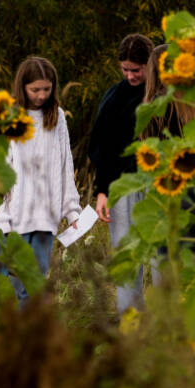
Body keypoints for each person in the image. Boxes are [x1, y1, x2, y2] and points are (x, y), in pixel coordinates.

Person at [0, 55, 82, 302]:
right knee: (18, 283)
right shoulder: (10, 116)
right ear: (23, 87)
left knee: (36, 282)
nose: (41, 95)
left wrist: (72, 211)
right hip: (15, 214)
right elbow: (0, 165)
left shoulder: (57, 117)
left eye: (46, 89)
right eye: (35, 90)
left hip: (46, 216)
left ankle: (31, 336)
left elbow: (65, 164)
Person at [84, 33, 152, 312]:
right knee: (126, 257)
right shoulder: (114, 96)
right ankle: (131, 322)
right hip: (122, 185)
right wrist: (102, 191)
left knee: (162, 256)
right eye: (125, 69)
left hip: (157, 183)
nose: (130, 75)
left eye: (136, 70)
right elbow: (102, 147)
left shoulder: (164, 96)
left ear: (150, 65)